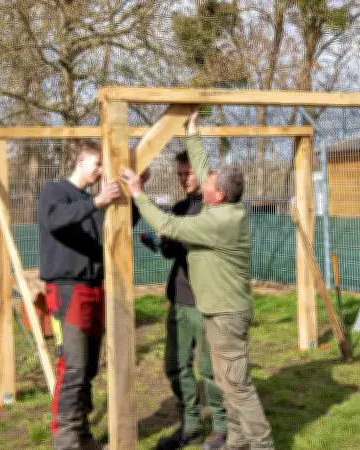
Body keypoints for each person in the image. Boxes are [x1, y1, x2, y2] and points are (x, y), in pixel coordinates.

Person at [120, 109, 275, 450]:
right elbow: (206, 171)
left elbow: (169, 227)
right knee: (225, 379)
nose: (201, 182)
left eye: (207, 184)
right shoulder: (223, 206)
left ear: (218, 194)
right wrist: (193, 133)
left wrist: (137, 193)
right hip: (219, 310)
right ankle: (235, 441)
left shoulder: (217, 222)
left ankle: (262, 444)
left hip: (225, 314)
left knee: (237, 384)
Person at [38, 139, 147, 450]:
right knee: (72, 366)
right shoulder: (55, 192)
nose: (100, 170)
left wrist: (134, 194)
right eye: (97, 163)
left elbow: (110, 231)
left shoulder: (92, 199)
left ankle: (82, 434)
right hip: (66, 288)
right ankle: (66, 440)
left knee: (88, 367)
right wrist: (97, 202)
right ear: (80, 160)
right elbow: (54, 220)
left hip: (95, 287)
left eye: (103, 165)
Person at [145, 151, 228, 450]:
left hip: (205, 301)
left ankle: (221, 428)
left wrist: (171, 233)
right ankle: (190, 424)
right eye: (179, 174)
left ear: (203, 174)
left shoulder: (213, 209)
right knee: (175, 365)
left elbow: (193, 239)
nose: (183, 180)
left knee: (208, 369)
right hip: (179, 297)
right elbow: (173, 252)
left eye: (188, 174)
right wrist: (160, 242)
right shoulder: (180, 207)